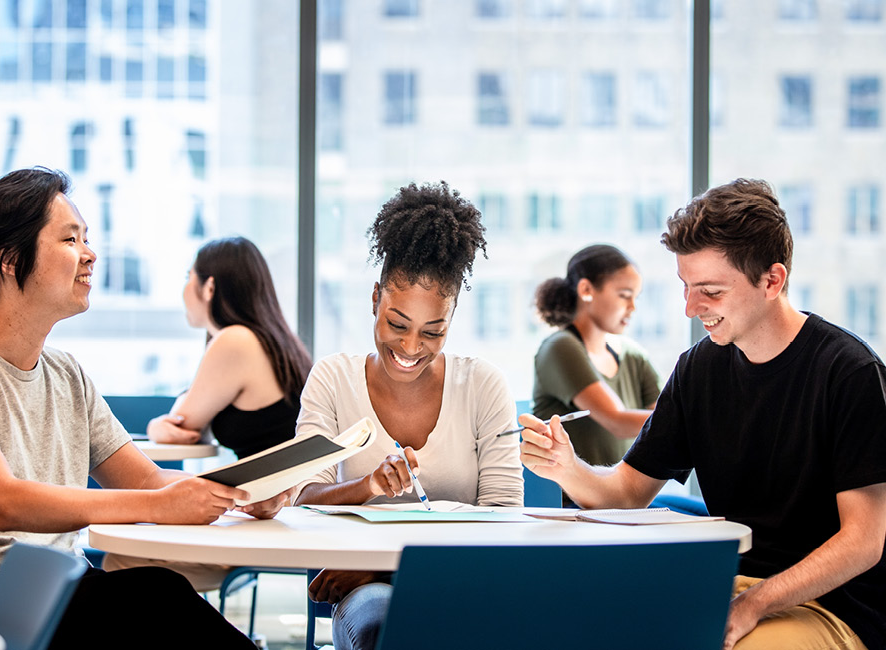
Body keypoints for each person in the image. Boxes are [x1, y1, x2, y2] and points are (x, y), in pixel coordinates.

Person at [0, 168, 285, 649]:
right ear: (10, 259)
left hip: (58, 585)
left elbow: (145, 479)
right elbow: (3, 501)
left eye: (87, 239)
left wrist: (238, 495)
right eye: (71, 239)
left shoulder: (67, 373)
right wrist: (158, 507)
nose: (91, 255)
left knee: (158, 592)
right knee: (154, 600)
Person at [520, 179, 886, 650]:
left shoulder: (848, 371)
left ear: (772, 280)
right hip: (729, 586)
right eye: (686, 287)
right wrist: (567, 468)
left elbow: (863, 542)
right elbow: (626, 492)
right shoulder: (700, 368)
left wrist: (755, 603)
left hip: (828, 607)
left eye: (711, 291)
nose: (690, 308)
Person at [294, 181, 523, 650]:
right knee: (385, 623)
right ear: (375, 297)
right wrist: (368, 486)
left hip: (462, 586)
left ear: (452, 316)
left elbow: (504, 523)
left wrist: (386, 563)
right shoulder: (333, 380)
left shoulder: (483, 386)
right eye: (397, 324)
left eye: (433, 331)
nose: (411, 347)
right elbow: (303, 499)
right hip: (367, 598)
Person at [104, 236, 312, 590]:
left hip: (274, 516)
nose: (184, 288)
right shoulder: (272, 340)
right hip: (284, 512)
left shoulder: (235, 340)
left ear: (210, 286)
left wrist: (157, 424)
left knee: (123, 559)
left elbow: (183, 421)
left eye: (189, 276)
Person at [532, 244, 659, 467]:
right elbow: (617, 422)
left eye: (635, 297)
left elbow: (663, 419)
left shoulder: (633, 355)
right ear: (586, 290)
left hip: (628, 496)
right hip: (576, 500)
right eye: (624, 295)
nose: (632, 308)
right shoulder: (560, 347)